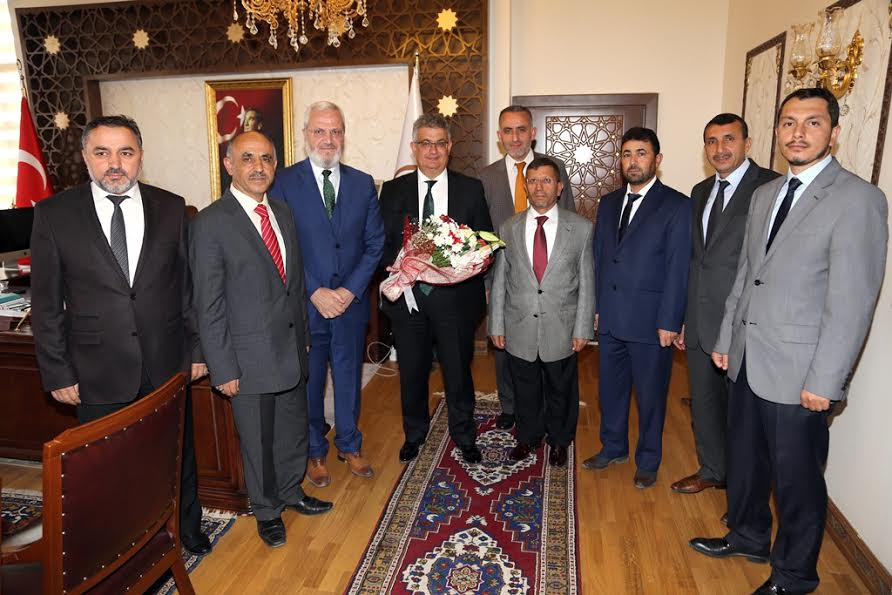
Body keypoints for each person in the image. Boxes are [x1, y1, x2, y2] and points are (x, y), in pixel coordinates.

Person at [689, 88, 888, 595]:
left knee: (797, 482)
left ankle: (795, 575)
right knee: (745, 463)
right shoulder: (765, 194)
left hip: (802, 373)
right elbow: (746, 275)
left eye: (812, 123)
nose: (798, 133)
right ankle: (748, 536)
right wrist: (727, 337)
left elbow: (852, 301)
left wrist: (827, 381)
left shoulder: (858, 200)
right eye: (788, 122)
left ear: (834, 133)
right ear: (777, 131)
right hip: (747, 359)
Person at [30, 114, 212, 555]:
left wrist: (197, 351)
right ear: (85, 157)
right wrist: (57, 372)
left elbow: (188, 290)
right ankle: (118, 544)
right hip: (96, 369)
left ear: (140, 157)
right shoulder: (54, 214)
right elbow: (47, 304)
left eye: (125, 152)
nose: (115, 163)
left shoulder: (172, 207)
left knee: (176, 454)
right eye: (103, 152)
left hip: (166, 362)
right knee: (106, 466)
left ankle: (186, 527)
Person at [189, 131, 333, 548]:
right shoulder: (210, 223)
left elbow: (295, 283)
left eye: (267, 159)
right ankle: (267, 511)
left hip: (291, 350)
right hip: (246, 358)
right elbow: (208, 303)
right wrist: (222, 366)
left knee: (291, 430)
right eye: (248, 158)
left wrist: (304, 337)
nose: (259, 167)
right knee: (258, 440)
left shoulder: (282, 213)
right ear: (229, 165)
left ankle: (290, 491)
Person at [270, 101, 384, 487]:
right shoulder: (283, 182)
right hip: (307, 305)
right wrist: (314, 289)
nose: (328, 139)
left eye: (335, 131)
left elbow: (375, 244)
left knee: (349, 376)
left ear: (344, 136)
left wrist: (350, 291)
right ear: (305, 134)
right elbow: (281, 245)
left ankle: (350, 444)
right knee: (311, 381)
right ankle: (314, 450)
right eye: (319, 131)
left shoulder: (362, 183)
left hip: (350, 305)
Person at [670, 114, 779, 495]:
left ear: (747, 143)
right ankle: (712, 469)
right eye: (712, 141)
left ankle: (745, 493)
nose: (720, 148)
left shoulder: (771, 187)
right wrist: (684, 317)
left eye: (729, 139)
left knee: (743, 413)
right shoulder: (700, 191)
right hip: (701, 320)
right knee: (704, 404)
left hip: (745, 323)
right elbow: (696, 260)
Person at [379, 113, 493, 464]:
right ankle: (414, 435)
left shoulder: (470, 188)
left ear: (450, 147)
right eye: (425, 143)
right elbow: (381, 243)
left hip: (455, 302)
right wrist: (402, 264)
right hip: (409, 300)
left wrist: (461, 261)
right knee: (412, 372)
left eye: (440, 143)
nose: (432, 151)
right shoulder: (393, 190)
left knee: (458, 373)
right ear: (413, 148)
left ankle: (464, 436)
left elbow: (485, 243)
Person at [582, 126, 692, 489]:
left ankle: (648, 460)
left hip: (651, 323)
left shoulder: (676, 205)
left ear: (657, 159)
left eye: (641, 154)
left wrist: (671, 320)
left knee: (650, 397)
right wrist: (597, 307)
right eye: (627, 154)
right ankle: (613, 447)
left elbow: (678, 267)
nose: (633, 161)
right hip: (611, 318)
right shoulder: (609, 202)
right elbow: (601, 257)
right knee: (610, 392)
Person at [488, 156, 594, 467]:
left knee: (561, 389)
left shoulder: (581, 228)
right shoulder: (509, 227)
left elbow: (587, 281)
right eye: (533, 181)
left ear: (559, 187)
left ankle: (560, 440)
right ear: (525, 186)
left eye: (546, 180)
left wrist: (583, 327)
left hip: (562, 326)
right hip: (518, 324)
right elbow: (500, 280)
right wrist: (496, 324)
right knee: (525, 389)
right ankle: (528, 437)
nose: (539, 187)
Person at [479, 105, 576, 431]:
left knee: (549, 345)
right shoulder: (486, 177)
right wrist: (488, 284)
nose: (515, 137)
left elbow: (570, 222)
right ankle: (509, 406)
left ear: (533, 133)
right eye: (508, 131)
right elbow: (483, 234)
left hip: (549, 276)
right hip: (504, 278)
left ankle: (547, 408)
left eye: (521, 129)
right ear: (499, 136)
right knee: (505, 345)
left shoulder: (554, 168)